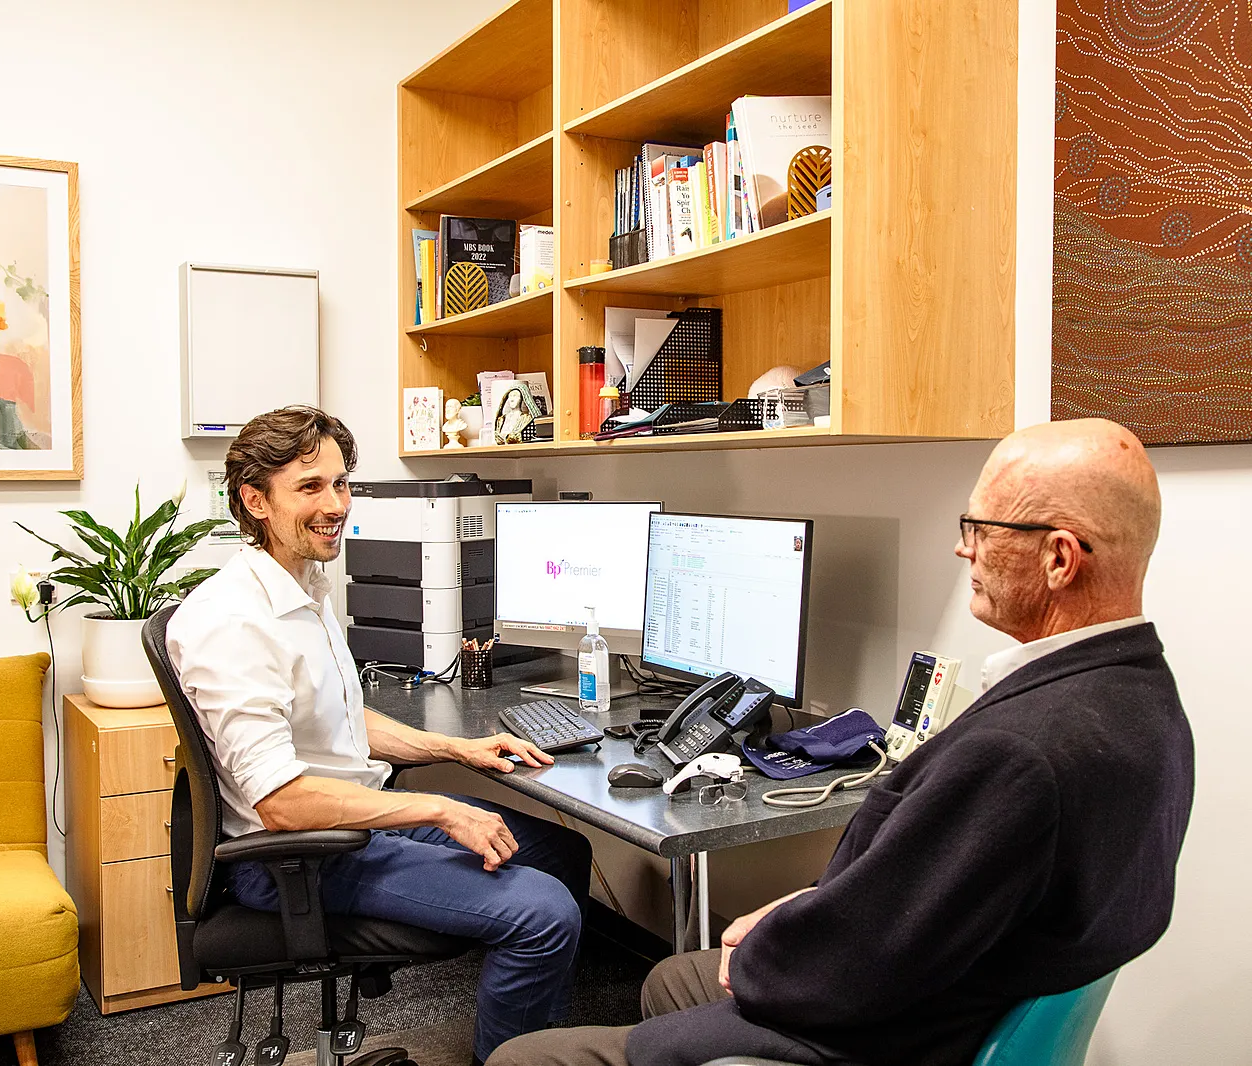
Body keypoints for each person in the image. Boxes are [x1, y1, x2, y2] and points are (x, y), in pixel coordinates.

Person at [488, 417, 1195, 1066]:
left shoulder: (1019, 754)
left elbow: (860, 965)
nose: (961, 546)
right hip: (952, 994)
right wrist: (798, 911)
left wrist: (775, 944)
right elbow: (925, 902)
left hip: (886, 1035)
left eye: (979, 528)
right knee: (674, 976)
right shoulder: (1144, 700)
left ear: (1060, 560)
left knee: (527, 1060)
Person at [166, 405, 592, 1065]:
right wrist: (439, 806)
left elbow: (341, 718)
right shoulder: (232, 622)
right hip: (299, 855)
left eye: (341, 483)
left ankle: (535, 1043)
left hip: (352, 818)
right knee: (544, 913)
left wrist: (456, 749)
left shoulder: (302, 582)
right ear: (255, 500)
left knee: (562, 853)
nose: (335, 503)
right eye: (310, 487)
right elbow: (282, 803)